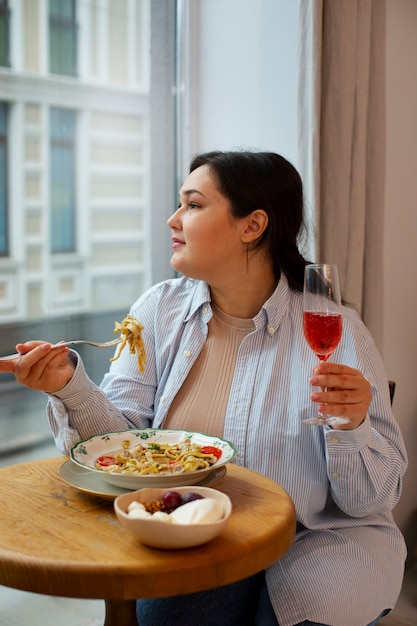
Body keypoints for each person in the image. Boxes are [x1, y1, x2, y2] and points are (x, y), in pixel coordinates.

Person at [0, 150, 407, 626]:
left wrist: (351, 425)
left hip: (317, 533)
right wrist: (68, 386)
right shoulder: (157, 310)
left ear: (252, 225)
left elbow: (369, 500)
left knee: (307, 612)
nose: (173, 219)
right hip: (195, 525)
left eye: (193, 205)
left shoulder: (334, 326)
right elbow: (122, 448)